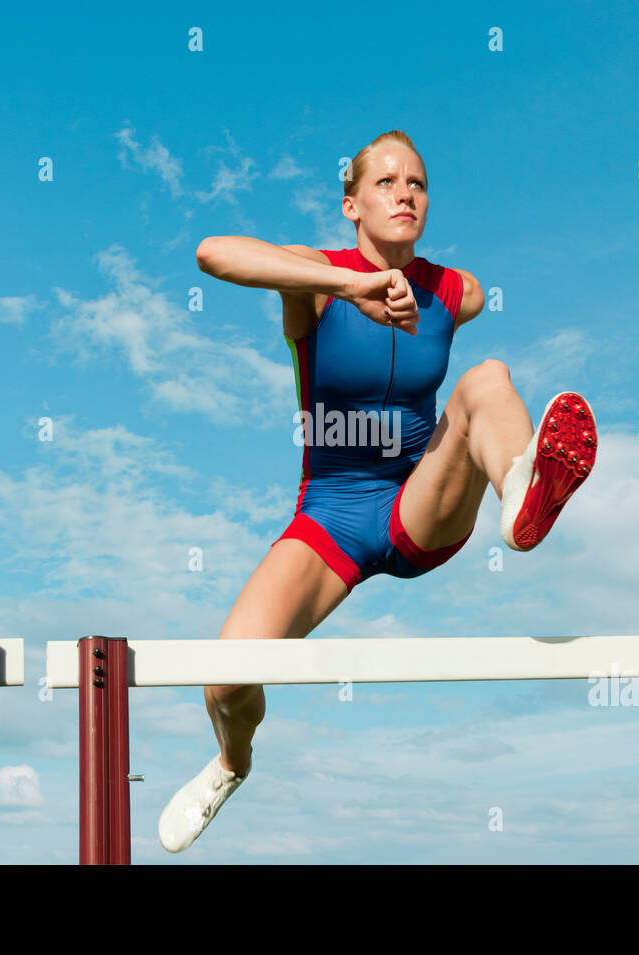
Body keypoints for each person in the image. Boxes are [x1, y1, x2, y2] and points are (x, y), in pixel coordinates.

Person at [158, 129, 597, 852]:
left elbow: (472, 303)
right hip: (331, 513)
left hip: (419, 500)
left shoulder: (456, 293)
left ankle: (520, 499)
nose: (405, 193)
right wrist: (352, 286)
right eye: (387, 182)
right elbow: (212, 252)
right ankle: (232, 763)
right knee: (225, 678)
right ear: (351, 204)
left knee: (488, 380)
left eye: (418, 184)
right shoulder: (314, 280)